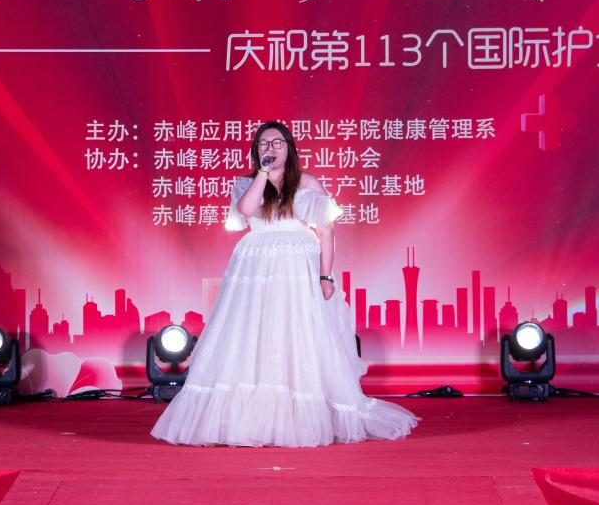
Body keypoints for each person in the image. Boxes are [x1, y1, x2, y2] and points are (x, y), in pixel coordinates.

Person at [151, 120, 419, 447]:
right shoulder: (248, 183)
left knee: (298, 333)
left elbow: (327, 233)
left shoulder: (308, 183)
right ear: (256, 151)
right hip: (254, 267)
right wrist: (262, 175)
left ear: (289, 148)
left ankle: (302, 416)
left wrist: (325, 276)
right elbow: (246, 210)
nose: (271, 148)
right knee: (254, 334)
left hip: (298, 268)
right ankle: (251, 419)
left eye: (277, 143)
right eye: (263, 144)